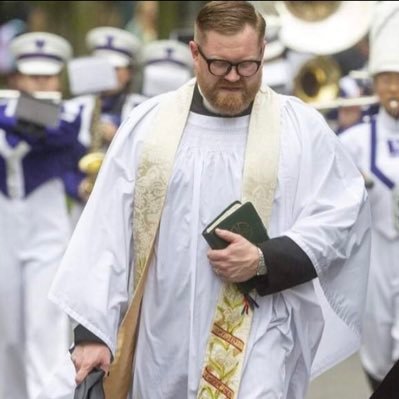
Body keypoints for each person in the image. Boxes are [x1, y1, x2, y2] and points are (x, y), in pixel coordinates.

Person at [46, 2, 370, 398]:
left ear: (263, 52)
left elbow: (342, 214)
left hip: (261, 329)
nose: (234, 77)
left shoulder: (299, 129)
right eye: (220, 65)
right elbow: (106, 233)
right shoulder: (149, 127)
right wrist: (92, 333)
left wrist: (266, 259)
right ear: (195, 54)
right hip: (163, 334)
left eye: (247, 65)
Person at [0, 31, 84, 399]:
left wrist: (18, 113)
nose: (42, 84)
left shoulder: (74, 111)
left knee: (45, 328)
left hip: (47, 233)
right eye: (33, 77)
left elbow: (61, 132)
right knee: (7, 334)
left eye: (49, 77)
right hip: (4, 231)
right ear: (17, 78)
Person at [339, 2, 399, 392]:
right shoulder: (354, 141)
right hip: (378, 257)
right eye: (385, 79)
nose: (393, 88)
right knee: (377, 347)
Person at [64, 26, 147, 226]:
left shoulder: (143, 107)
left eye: (117, 69)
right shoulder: (74, 108)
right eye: (103, 67)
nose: (109, 74)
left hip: (128, 211)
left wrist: (119, 136)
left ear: (129, 73)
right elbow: (60, 159)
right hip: (82, 208)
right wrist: (77, 186)